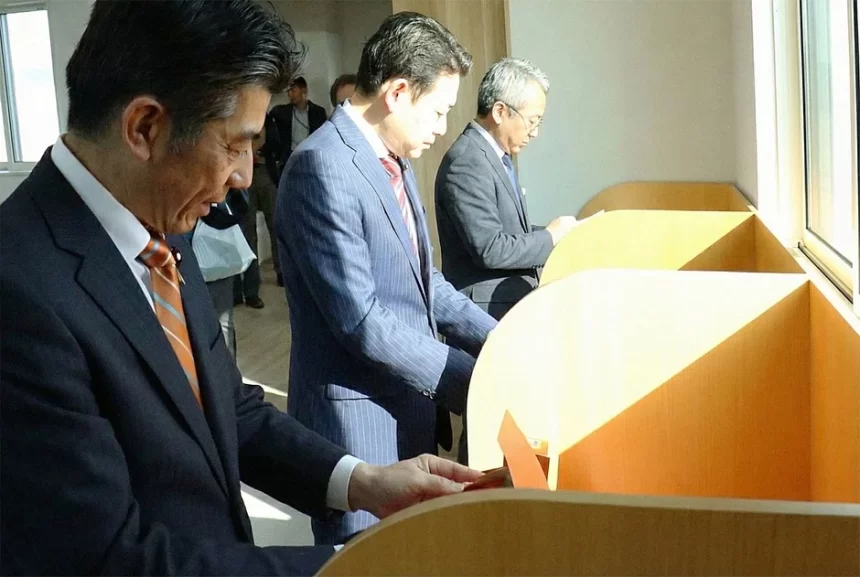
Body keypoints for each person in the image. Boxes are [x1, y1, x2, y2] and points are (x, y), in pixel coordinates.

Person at [0, 2, 481, 575]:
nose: (245, 177)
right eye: (234, 145)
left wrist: (363, 481)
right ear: (145, 128)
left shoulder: (161, 225)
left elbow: (228, 408)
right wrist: (363, 565)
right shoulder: (19, 291)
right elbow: (108, 558)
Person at [277, 11, 498, 545]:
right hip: (359, 423)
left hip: (406, 404)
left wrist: (501, 343)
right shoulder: (322, 167)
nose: (442, 128)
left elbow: (426, 283)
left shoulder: (391, 158)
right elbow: (363, 321)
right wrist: (474, 380)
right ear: (398, 93)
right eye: (438, 111)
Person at [435, 57, 578, 320]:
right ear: (500, 111)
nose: (534, 133)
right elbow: (491, 248)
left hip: (507, 309)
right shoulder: (468, 160)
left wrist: (564, 236)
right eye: (532, 121)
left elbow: (510, 232)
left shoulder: (494, 156)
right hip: (485, 315)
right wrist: (550, 236)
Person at [269, 76, 327, 170]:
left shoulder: (318, 112)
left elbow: (323, 137)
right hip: (289, 158)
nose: (289, 94)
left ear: (304, 91)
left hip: (310, 157)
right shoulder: (280, 112)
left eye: (293, 90)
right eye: (288, 91)